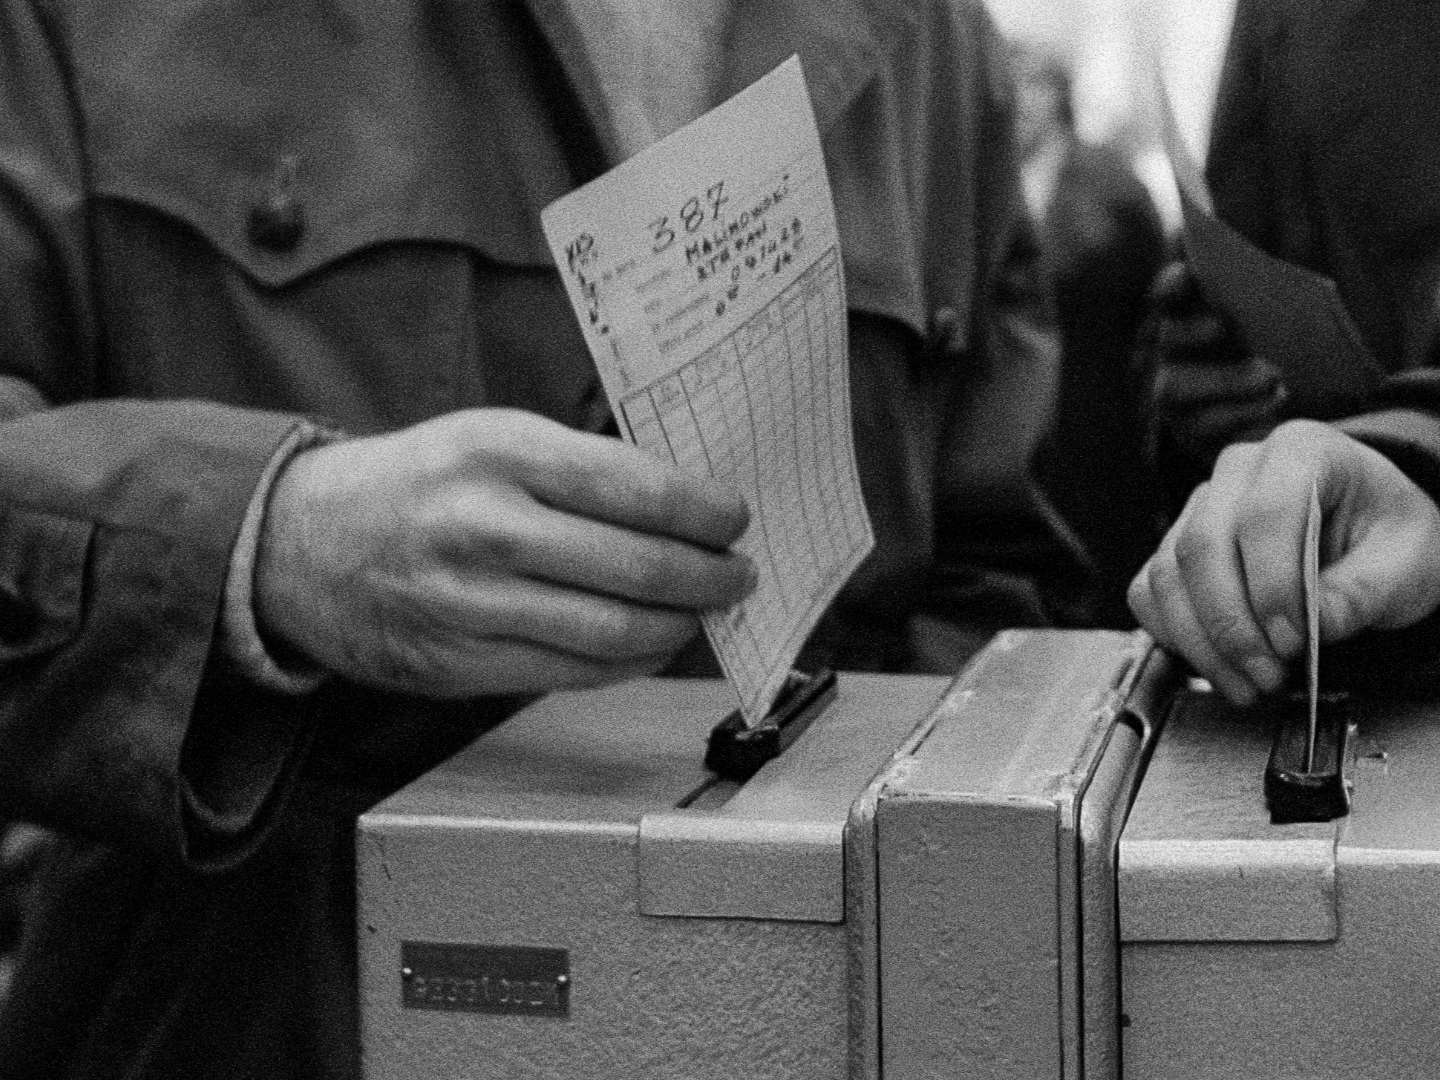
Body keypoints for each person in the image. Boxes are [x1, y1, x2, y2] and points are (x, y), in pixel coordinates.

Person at [0, 0, 1062, 1075]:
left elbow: (999, 583)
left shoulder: (928, 42)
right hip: (260, 1022)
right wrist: (265, 540)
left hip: (784, 1022)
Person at [1129, 0, 1440, 704]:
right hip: (1329, 635)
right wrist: (1212, 409)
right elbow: (1237, 257)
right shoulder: (1282, 21)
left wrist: (1415, 455)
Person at [1009, 41, 1169, 627]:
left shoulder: (1109, 182)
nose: (1019, 101)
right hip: (1027, 424)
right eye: (1010, 84)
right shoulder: (992, 181)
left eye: (1033, 84)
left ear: (1058, 97)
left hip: (1101, 418)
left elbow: (1150, 306)